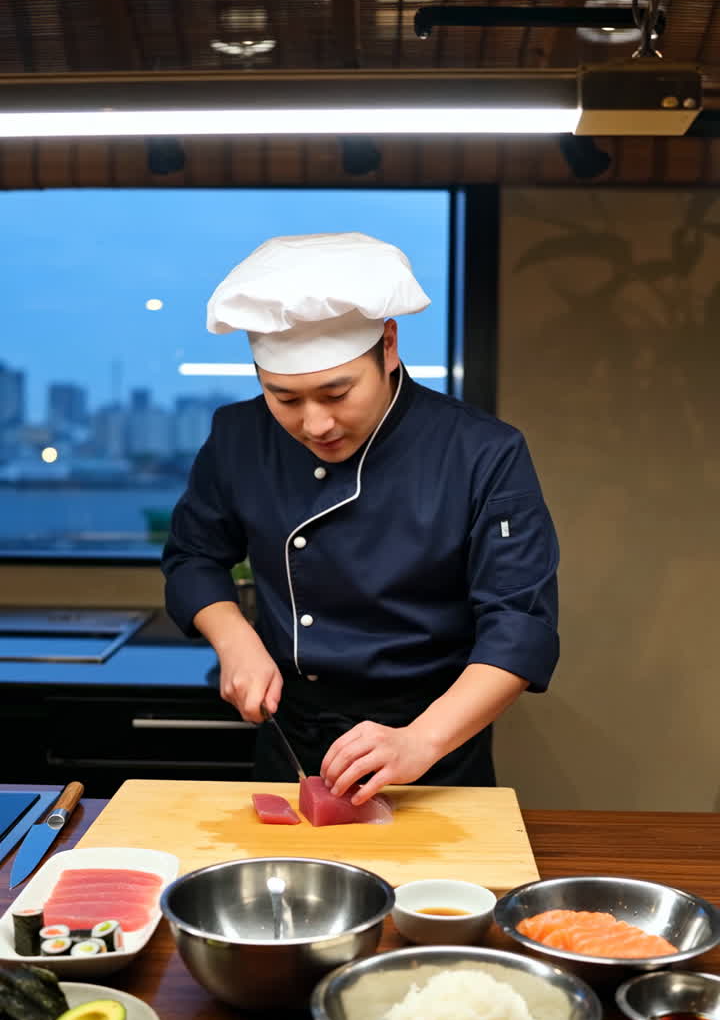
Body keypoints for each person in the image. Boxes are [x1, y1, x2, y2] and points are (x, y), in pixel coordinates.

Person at [161, 231, 559, 805]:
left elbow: (519, 626)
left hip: (430, 743)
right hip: (290, 738)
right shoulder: (238, 436)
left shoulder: (481, 453)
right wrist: (235, 640)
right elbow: (193, 555)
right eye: (286, 399)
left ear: (389, 347)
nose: (315, 424)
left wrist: (419, 741)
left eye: (336, 392)